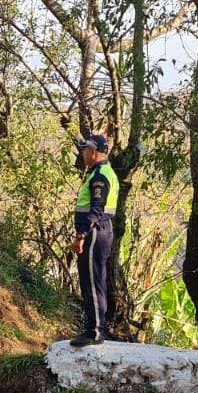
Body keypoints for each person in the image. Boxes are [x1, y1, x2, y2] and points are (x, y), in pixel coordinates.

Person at [70, 134, 118, 347]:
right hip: (100, 231)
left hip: (95, 231)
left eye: (85, 150)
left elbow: (97, 209)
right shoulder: (101, 172)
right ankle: (97, 327)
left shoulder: (100, 176)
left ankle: (95, 330)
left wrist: (81, 235)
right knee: (94, 280)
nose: (82, 154)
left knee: (92, 281)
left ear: (94, 151)